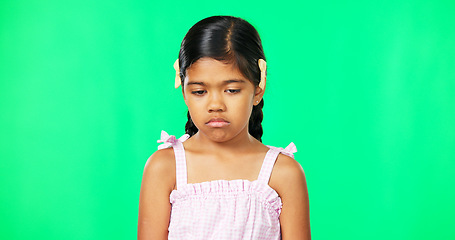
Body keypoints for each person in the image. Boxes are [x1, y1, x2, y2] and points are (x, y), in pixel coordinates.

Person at [138, 16, 310, 240]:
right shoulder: (164, 168)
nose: (215, 105)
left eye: (232, 90)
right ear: (184, 92)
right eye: (200, 91)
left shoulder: (284, 173)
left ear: (258, 89)